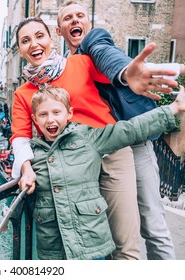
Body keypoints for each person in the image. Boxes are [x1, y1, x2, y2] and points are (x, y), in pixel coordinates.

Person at [10, 16, 182, 260]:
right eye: (25, 40)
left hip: (110, 152)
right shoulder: (22, 93)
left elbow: (117, 74)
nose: (34, 44)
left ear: (51, 38)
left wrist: (129, 73)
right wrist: (26, 168)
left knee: (124, 242)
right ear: (20, 49)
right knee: (90, 243)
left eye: (40, 36)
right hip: (70, 165)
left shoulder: (79, 63)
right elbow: (20, 136)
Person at [55, 1, 184, 260]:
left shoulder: (94, 41)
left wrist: (126, 73)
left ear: (88, 23)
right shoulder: (63, 66)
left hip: (133, 143)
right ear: (59, 30)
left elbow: (108, 56)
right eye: (68, 18)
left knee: (153, 226)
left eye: (80, 15)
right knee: (113, 232)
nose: (75, 21)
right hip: (96, 152)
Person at [30, 85, 184, 260]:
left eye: (56, 112)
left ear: (69, 114)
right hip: (53, 251)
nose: (50, 119)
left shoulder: (88, 138)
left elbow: (130, 129)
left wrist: (173, 108)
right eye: (43, 114)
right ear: (35, 118)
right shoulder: (31, 154)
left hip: (91, 244)